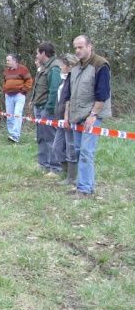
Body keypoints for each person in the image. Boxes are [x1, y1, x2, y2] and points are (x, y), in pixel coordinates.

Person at [64, 35, 111, 198]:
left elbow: (102, 94)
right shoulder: (75, 68)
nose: (77, 50)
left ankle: (85, 189)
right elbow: (68, 94)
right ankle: (83, 185)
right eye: (75, 48)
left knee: (86, 151)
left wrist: (93, 115)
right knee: (78, 150)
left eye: (81, 47)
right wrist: (66, 115)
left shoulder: (100, 65)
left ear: (90, 47)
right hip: (76, 115)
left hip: (92, 115)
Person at [29, 41, 62, 174]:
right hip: (39, 106)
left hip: (47, 109)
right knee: (41, 137)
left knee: (51, 138)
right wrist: (33, 101)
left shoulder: (54, 68)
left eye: (38, 53)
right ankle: (43, 165)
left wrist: (48, 108)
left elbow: (54, 90)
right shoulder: (44, 67)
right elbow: (39, 88)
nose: (37, 55)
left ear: (43, 53)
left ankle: (56, 168)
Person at [52, 53, 79, 186]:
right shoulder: (63, 79)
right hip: (60, 118)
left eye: (62, 65)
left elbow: (70, 100)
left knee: (71, 148)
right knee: (57, 147)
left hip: (69, 119)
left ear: (69, 66)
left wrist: (68, 116)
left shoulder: (74, 79)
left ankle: (72, 177)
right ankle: (66, 172)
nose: (60, 67)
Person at [3, 54, 33, 143]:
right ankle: (11, 134)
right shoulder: (6, 71)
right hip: (8, 95)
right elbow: (5, 81)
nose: (7, 62)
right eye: (6, 61)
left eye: (8, 60)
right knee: (9, 116)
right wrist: (5, 89)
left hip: (19, 95)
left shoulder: (22, 69)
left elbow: (29, 80)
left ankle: (16, 135)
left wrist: (24, 90)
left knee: (17, 114)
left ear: (14, 60)